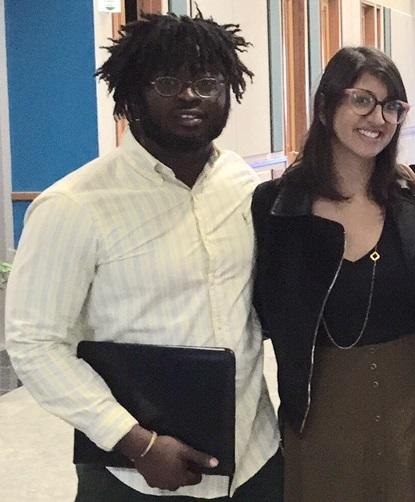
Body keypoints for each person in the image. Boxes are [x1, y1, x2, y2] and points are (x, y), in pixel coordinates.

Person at [5, 13, 282, 502]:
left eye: (207, 81)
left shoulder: (242, 183)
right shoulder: (75, 206)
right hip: (134, 476)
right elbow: (34, 343)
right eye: (168, 81)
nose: (190, 95)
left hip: (255, 458)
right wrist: (136, 442)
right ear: (132, 94)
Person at [252, 46, 415, 502]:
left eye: (392, 106)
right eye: (362, 100)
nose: (379, 117)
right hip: (322, 400)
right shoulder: (276, 205)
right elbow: (264, 307)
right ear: (325, 105)